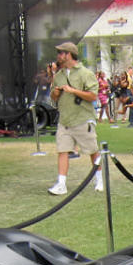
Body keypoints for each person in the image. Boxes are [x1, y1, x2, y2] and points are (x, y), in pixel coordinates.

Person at [47, 41, 103, 196]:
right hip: (64, 120)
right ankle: (61, 184)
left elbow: (93, 96)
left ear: (69, 54)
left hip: (83, 119)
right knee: (62, 151)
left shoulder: (86, 73)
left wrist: (73, 90)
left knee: (92, 151)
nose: (58, 56)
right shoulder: (58, 75)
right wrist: (56, 94)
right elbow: (53, 97)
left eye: (61, 53)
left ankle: (99, 179)